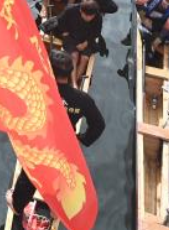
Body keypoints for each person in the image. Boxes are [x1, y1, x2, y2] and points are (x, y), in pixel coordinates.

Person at [7, 50, 105, 220]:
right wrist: (82, 138)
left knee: (29, 177)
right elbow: (99, 125)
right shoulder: (82, 99)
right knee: (61, 180)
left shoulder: (36, 91)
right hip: (65, 147)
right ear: (70, 71)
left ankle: (17, 205)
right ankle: (56, 211)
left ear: (49, 70)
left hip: (40, 144)